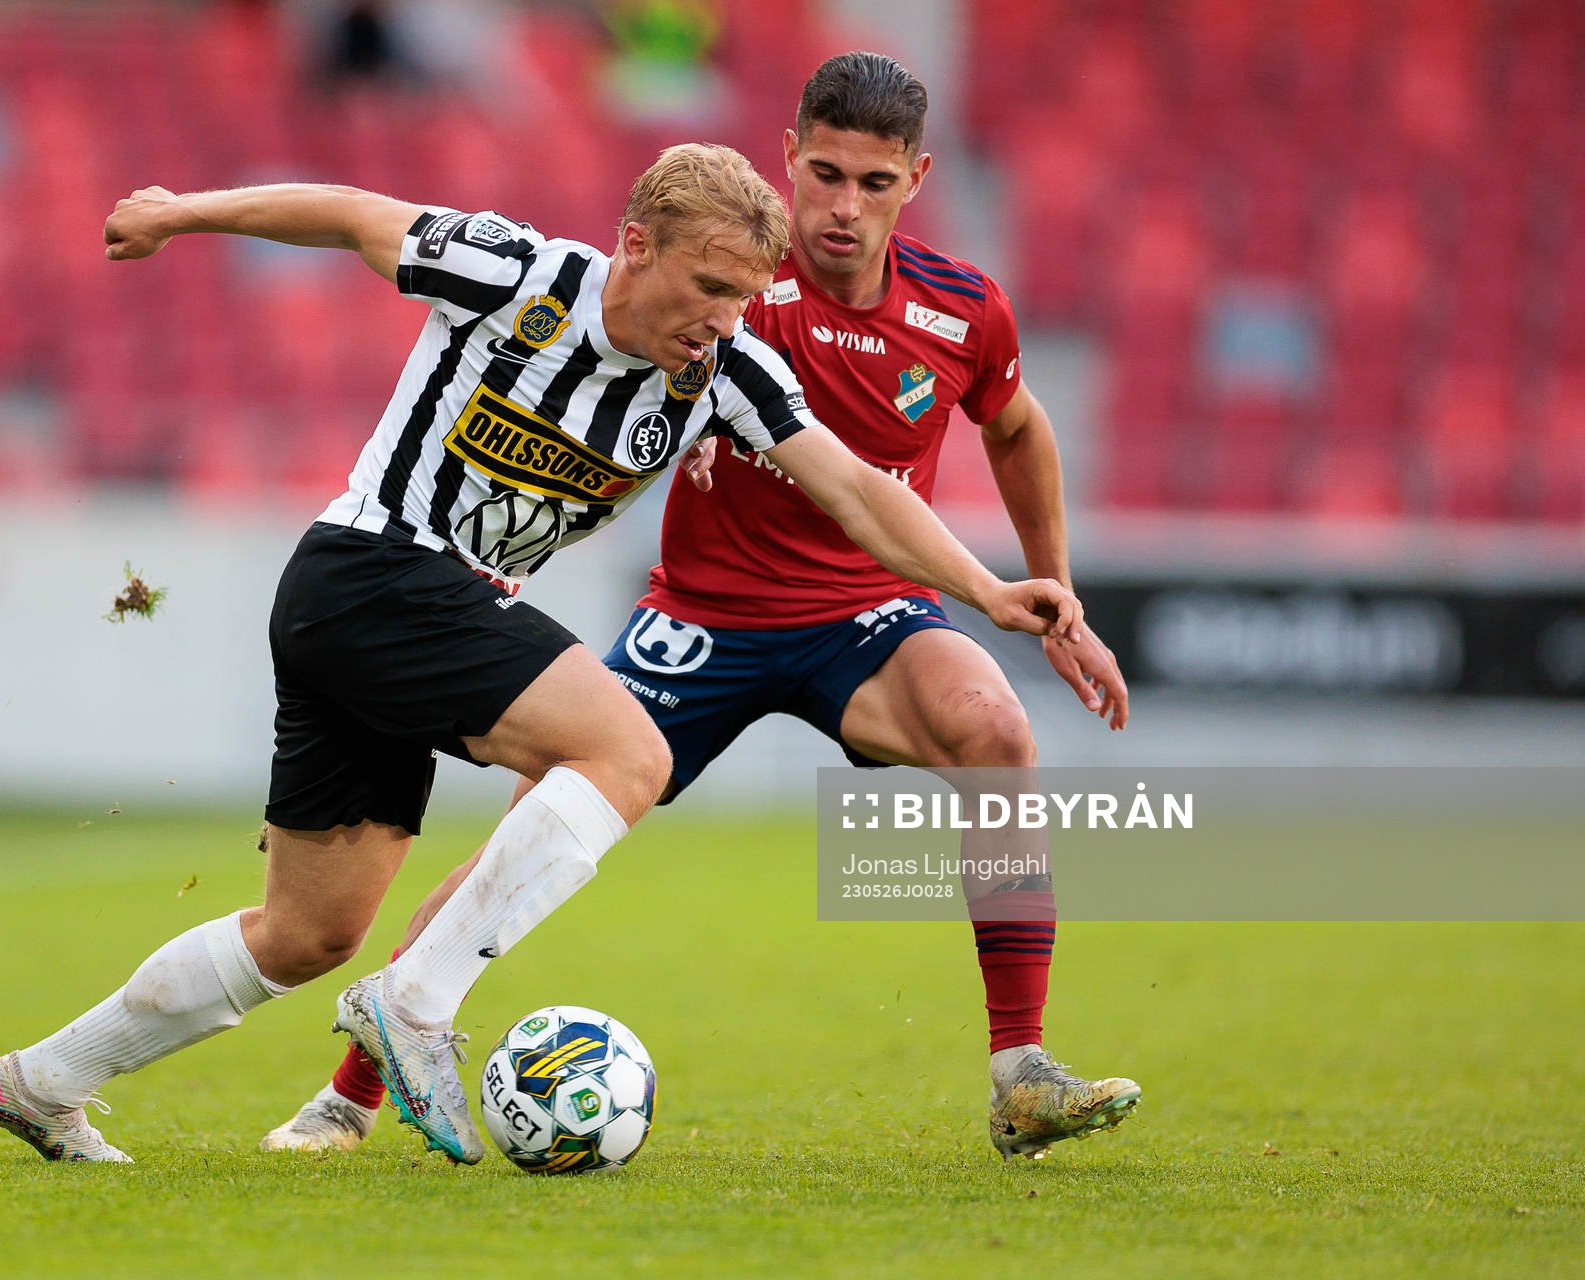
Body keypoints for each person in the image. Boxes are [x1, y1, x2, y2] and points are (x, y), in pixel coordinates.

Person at [0, 140, 1085, 1165]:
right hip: (371, 567)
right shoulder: (517, 272)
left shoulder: (726, 373)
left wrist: (984, 587)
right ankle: (414, 1006)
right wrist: (178, 211)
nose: (724, 318)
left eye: (745, 295)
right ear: (636, 246)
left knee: (307, 933)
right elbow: (356, 214)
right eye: (707, 287)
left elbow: (850, 488)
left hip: (394, 620)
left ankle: (42, 1079)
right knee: (626, 752)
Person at [262, 52, 1139, 1164]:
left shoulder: (964, 310)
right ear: (787, 158)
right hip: (705, 618)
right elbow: (605, 314)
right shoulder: (727, 286)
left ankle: (1021, 1070)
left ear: (915, 179)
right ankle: (351, 1092)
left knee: (995, 732)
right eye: (823, 173)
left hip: (867, 615)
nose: (841, 205)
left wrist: (1051, 591)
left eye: (873, 183)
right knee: (542, 820)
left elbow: (1015, 426)